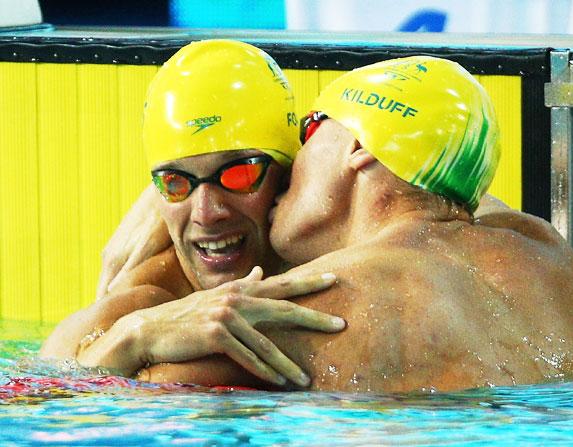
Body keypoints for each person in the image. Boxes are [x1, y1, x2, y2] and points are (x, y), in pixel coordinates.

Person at [46, 44, 573, 392]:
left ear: (359, 151)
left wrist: (128, 343)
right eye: (174, 183)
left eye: (310, 130)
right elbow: (440, 202)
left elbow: (68, 407)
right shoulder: (541, 252)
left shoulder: (302, 307)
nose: (299, 157)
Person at [39, 40, 347, 389]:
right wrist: (134, 337)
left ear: (290, 170)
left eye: (238, 174)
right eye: (175, 183)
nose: (206, 213)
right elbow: (34, 397)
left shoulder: (337, 241)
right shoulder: (140, 303)